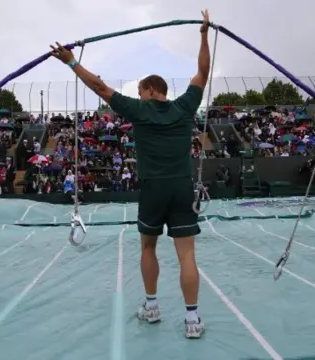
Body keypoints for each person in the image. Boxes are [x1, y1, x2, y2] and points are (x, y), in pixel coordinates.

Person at [50, 9, 212, 339]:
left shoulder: (139, 109)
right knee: (187, 255)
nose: (139, 97)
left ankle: (151, 307)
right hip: (182, 187)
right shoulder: (185, 107)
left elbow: (98, 86)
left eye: (140, 91)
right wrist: (204, 34)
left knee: (148, 248)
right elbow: (203, 71)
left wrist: (70, 62)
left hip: (153, 189)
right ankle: (192, 321)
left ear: (151, 89)